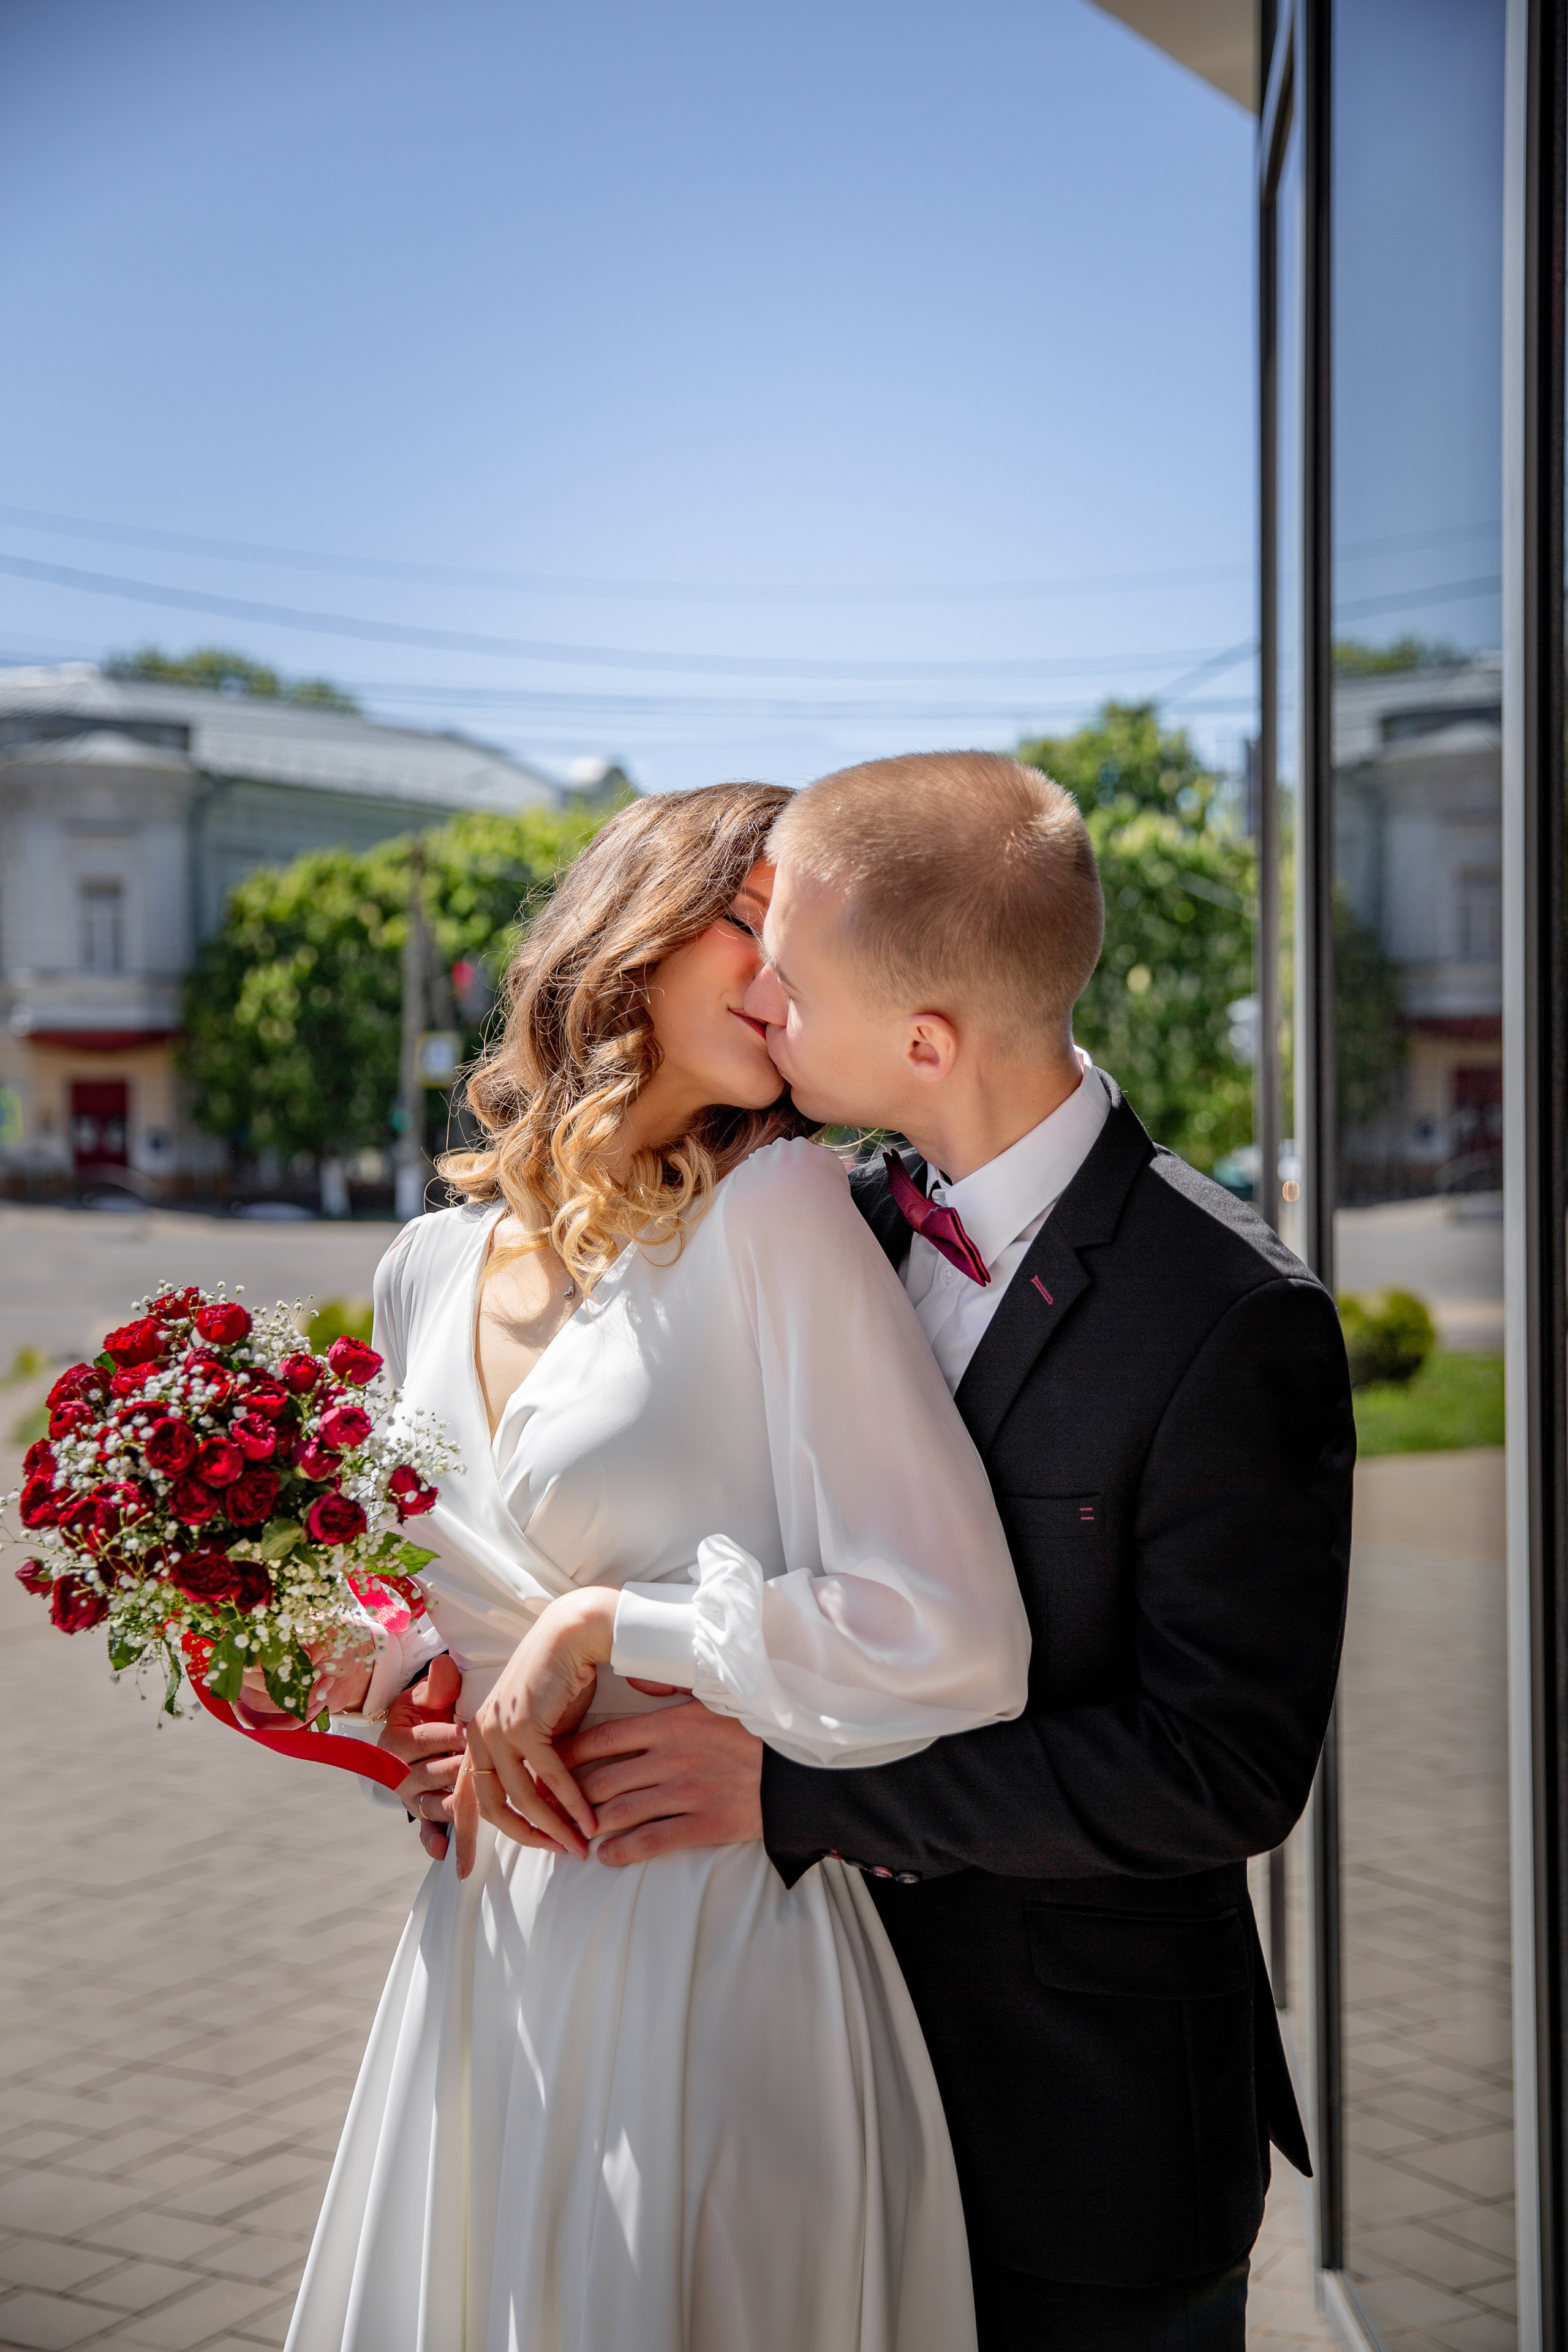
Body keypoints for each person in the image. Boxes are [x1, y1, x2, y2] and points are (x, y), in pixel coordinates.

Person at [406, 752, 1355, 2352]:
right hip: (785, 2084)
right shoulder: (802, 1215)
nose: (757, 994)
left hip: (1074, 2130)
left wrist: (795, 1793)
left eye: (787, 967)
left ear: (922, 1038)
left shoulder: (1230, 1317)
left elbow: (1219, 1773)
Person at [284, 781, 1033, 2352]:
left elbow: (955, 1635)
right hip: (481, 1956)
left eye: (811, 957)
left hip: (706, 1950)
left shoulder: (780, 1214)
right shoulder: (418, 1268)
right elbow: (407, 1609)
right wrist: (403, 1728)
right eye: (753, 929)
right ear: (632, 928)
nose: (782, 991)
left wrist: (616, 1627)